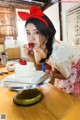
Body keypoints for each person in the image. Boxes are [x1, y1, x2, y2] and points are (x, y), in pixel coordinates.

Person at [18, 6, 80, 96]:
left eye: (36, 32)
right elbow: (39, 68)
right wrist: (30, 56)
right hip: (63, 67)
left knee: (73, 101)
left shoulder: (58, 55)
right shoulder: (38, 47)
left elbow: (67, 75)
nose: (31, 38)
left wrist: (52, 74)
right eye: (28, 33)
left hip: (75, 68)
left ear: (46, 33)